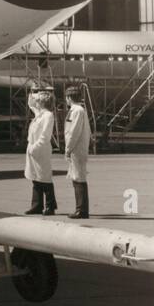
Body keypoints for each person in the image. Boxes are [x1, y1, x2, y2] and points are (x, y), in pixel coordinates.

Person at [24, 89, 57, 215]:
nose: (36, 103)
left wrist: (35, 147)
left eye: (38, 101)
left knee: (45, 178)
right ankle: (37, 205)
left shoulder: (48, 115)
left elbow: (45, 135)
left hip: (41, 149)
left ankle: (50, 206)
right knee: (35, 178)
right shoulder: (40, 114)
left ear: (42, 103)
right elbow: (30, 104)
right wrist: (33, 91)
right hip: (34, 150)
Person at [64, 87, 91, 219]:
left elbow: (73, 132)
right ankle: (80, 208)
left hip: (76, 148)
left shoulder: (77, 111)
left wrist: (68, 148)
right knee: (76, 177)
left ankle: (81, 210)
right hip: (77, 148)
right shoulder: (78, 110)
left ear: (69, 98)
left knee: (79, 178)